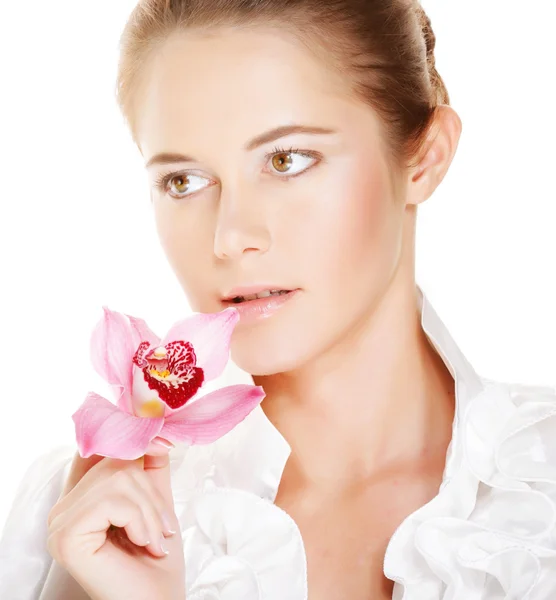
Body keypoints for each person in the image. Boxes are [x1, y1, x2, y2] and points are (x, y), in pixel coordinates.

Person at [1, 0, 555, 598]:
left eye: (287, 160)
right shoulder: (78, 519)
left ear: (424, 157)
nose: (230, 236)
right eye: (182, 181)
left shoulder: (538, 493)